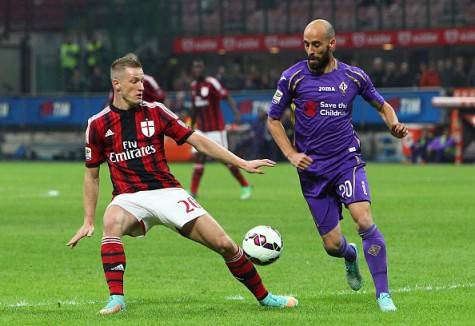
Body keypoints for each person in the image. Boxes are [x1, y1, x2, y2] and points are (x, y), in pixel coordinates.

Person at [67, 54, 297, 315]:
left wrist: (241, 162)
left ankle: (265, 298)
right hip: (128, 197)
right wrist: (88, 221)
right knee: (111, 221)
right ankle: (116, 299)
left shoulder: (156, 112)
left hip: (167, 192)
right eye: (134, 81)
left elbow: (197, 140)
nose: (141, 87)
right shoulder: (97, 125)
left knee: (224, 244)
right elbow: (92, 175)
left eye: (142, 81)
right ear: (117, 84)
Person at [267, 19, 408, 312]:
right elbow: (273, 119)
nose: (310, 51)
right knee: (333, 246)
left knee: (364, 220)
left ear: (332, 44)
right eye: (306, 44)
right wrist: (291, 155)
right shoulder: (292, 77)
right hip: (312, 170)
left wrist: (392, 123)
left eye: (316, 45)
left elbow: (383, 106)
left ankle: (383, 294)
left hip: (346, 161)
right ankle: (349, 255)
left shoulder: (354, 77)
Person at [189, 58, 252, 200]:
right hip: (202, 130)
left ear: (203, 69)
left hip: (216, 130)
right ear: (192, 70)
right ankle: (193, 191)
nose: (197, 69)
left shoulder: (212, 83)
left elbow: (226, 96)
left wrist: (236, 113)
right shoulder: (194, 86)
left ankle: (245, 185)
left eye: (200, 66)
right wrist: (192, 127)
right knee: (199, 158)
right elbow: (194, 109)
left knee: (227, 160)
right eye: (195, 67)